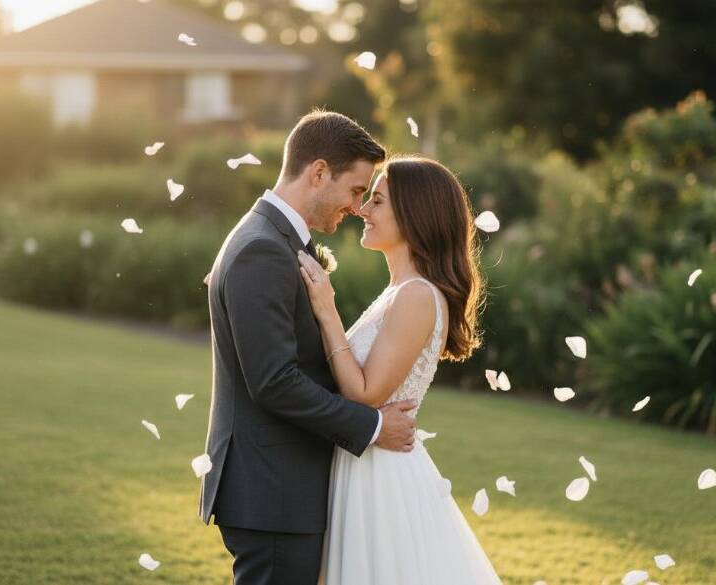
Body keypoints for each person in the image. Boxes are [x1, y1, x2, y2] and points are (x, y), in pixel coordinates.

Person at [198, 110, 418, 585]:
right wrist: (373, 426)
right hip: (272, 490)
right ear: (319, 172)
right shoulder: (262, 249)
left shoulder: (274, 239)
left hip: (279, 488)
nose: (357, 207)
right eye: (355, 190)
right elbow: (274, 382)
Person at [297, 155, 502, 584]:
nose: (362, 210)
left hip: (380, 476)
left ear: (414, 214)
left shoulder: (416, 296)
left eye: (377, 201)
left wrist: (327, 310)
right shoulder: (398, 291)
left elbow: (365, 393)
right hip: (363, 461)